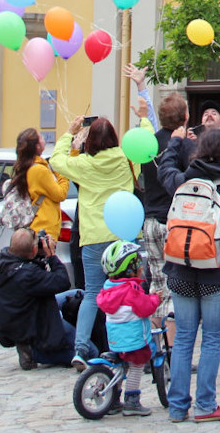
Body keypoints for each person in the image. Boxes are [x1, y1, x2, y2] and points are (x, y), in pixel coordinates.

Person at [157, 128, 220, 423]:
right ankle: (205, 405)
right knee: (211, 340)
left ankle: (177, 407)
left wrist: (175, 141)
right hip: (217, 273)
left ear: (198, 149)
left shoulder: (184, 181)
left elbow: (164, 170)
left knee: (184, 338)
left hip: (181, 270)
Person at [49, 106, 151, 370]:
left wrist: (70, 134)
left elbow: (57, 160)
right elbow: (147, 138)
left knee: (93, 293)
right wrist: (142, 116)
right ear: (116, 139)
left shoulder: (84, 164)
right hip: (125, 236)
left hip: (94, 237)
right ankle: (129, 346)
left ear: (90, 141)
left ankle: (81, 348)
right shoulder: (128, 158)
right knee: (130, 291)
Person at [0, 228, 94, 369]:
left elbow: (31, 272)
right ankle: (34, 353)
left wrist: (37, 256)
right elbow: (63, 281)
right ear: (33, 250)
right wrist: (51, 256)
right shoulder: (28, 274)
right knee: (92, 353)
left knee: (79, 294)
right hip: (33, 322)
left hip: (17, 315)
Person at [141, 93, 195, 334]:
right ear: (185, 117)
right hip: (174, 222)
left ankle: (157, 351)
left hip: (151, 219)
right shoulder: (185, 146)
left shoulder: (149, 144)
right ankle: (173, 352)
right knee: (177, 288)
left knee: (157, 284)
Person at [97, 241, 161, 416]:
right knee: (137, 365)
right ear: (131, 269)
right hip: (134, 340)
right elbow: (145, 307)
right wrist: (155, 299)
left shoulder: (108, 288)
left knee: (119, 367)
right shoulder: (132, 290)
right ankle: (132, 400)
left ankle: (113, 401)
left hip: (115, 339)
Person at [8, 128, 70, 239]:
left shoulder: (30, 166)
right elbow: (60, 194)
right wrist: (64, 175)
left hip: (37, 228)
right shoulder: (39, 170)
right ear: (37, 146)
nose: (43, 139)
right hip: (44, 229)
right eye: (41, 137)